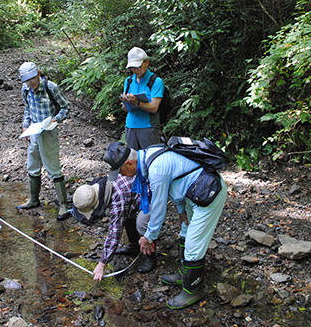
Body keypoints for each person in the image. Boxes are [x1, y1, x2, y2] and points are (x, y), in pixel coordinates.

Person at [103, 141, 228, 309]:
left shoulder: (156, 170)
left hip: (209, 194)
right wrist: (181, 210)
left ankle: (193, 289)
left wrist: (149, 237)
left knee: (193, 244)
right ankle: (184, 273)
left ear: (129, 163)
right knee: (184, 232)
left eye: (121, 171)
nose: (122, 176)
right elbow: (177, 183)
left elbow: (158, 208)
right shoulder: (148, 155)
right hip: (194, 193)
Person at [17, 61, 71, 221]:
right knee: (32, 166)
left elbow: (65, 107)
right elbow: (27, 109)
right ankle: (34, 200)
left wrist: (56, 119)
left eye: (33, 79)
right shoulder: (25, 89)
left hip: (48, 131)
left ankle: (63, 205)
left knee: (53, 167)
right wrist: (25, 126)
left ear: (38, 74)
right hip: (33, 131)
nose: (31, 83)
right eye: (27, 80)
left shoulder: (51, 87)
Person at [72, 174, 155, 278]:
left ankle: (149, 255)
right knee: (127, 215)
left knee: (141, 223)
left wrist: (102, 263)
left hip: (153, 194)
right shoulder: (104, 185)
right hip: (136, 193)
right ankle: (134, 246)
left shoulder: (118, 198)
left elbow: (115, 233)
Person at [120, 47, 164, 151]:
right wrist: (126, 102)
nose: (135, 70)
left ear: (146, 63)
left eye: (138, 67)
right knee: (132, 162)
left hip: (148, 127)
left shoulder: (156, 81)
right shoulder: (129, 81)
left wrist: (137, 102)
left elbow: (154, 108)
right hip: (130, 126)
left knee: (150, 160)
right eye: (132, 68)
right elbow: (125, 109)